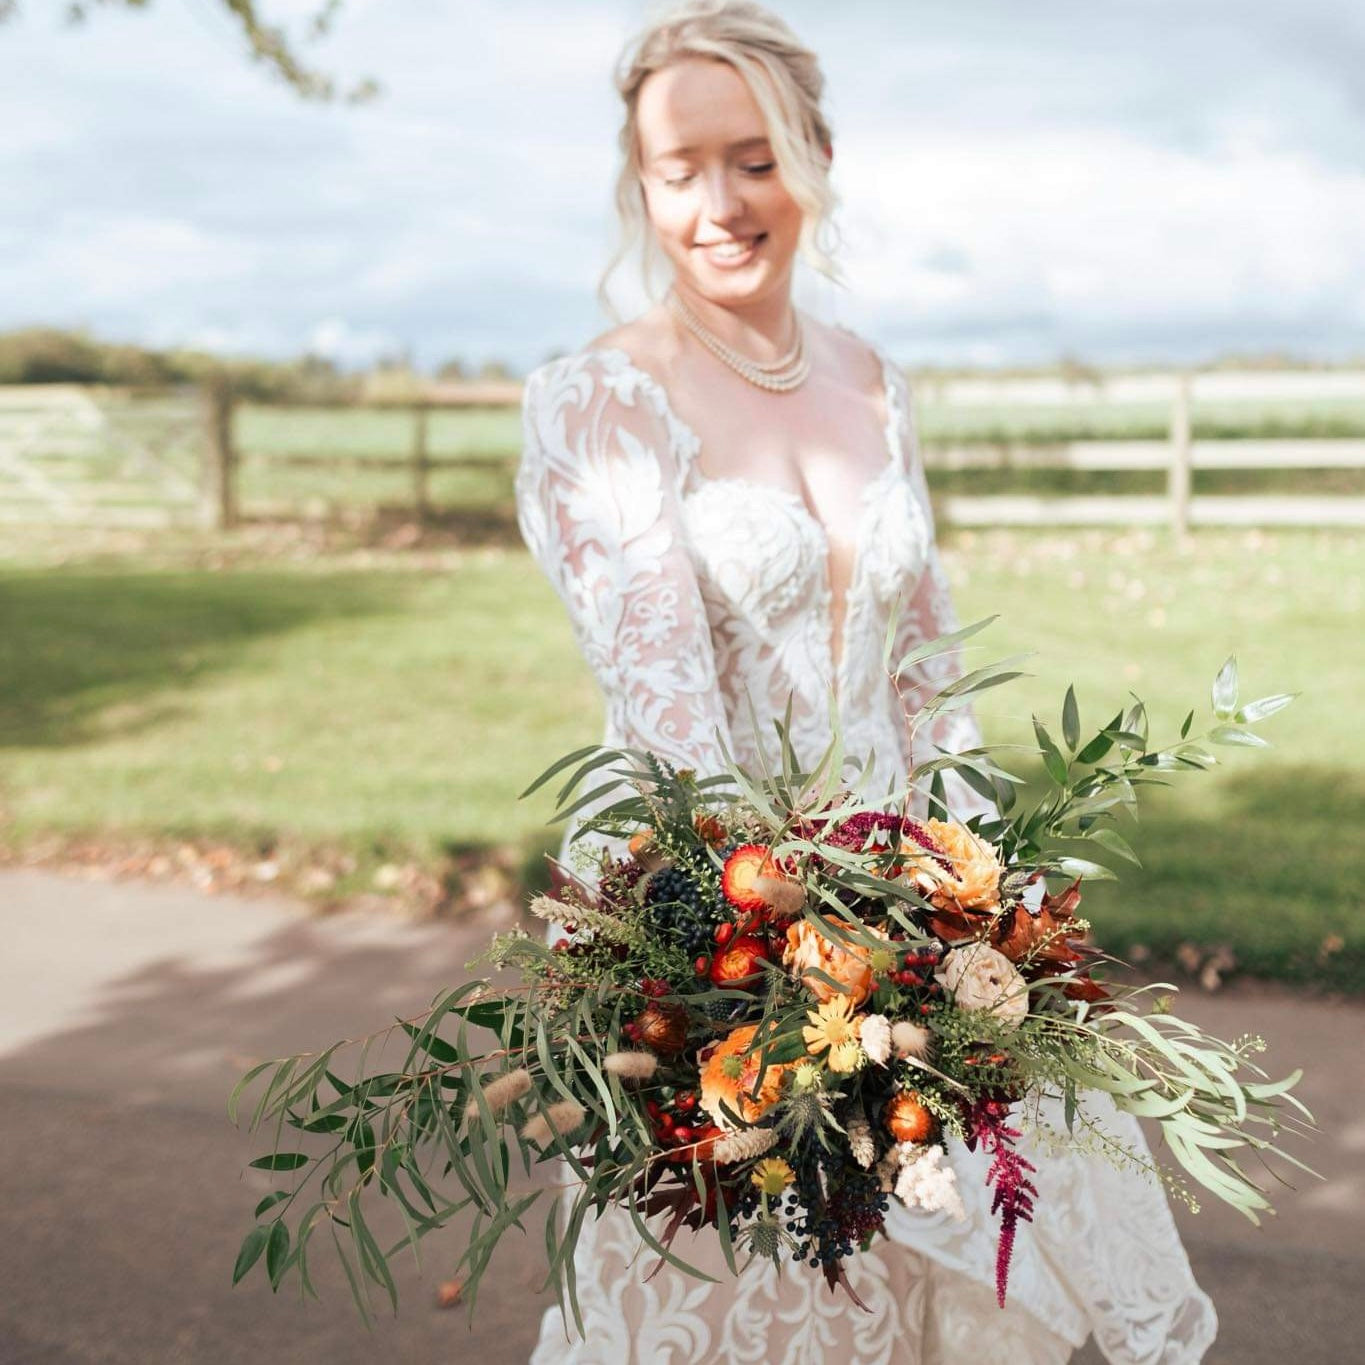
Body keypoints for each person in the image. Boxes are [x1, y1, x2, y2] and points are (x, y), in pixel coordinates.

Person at [514, 3, 1217, 1360]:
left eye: (753, 157)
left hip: (917, 897)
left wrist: (979, 914)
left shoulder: (874, 384)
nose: (719, 202)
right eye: (678, 171)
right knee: (763, 1279)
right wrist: (798, 969)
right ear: (639, 188)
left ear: (816, 156)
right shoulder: (598, 401)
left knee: (997, 1258)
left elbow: (929, 678)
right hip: (710, 913)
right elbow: (673, 733)